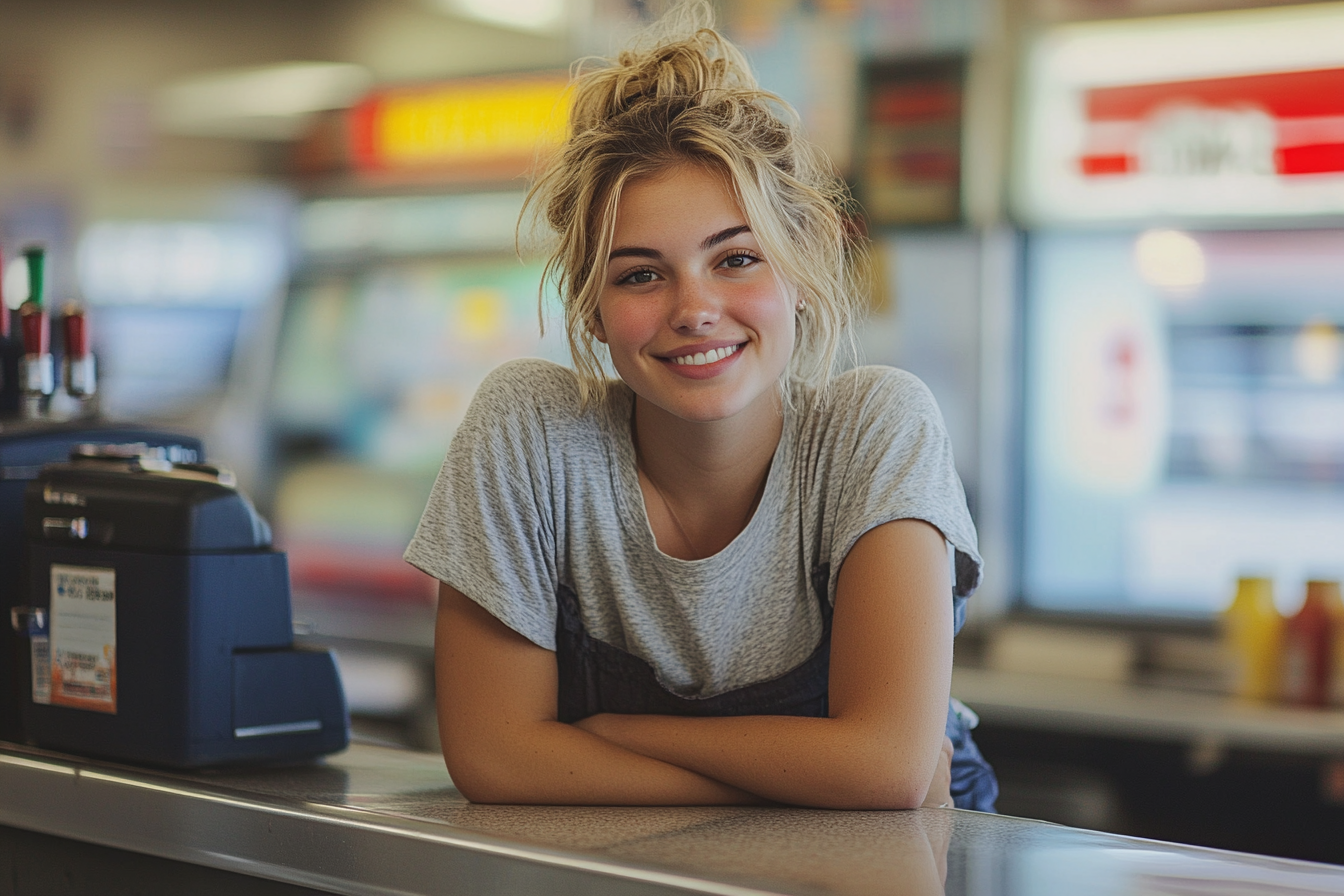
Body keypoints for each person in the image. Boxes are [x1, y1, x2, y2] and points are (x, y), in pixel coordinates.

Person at [405, 1, 997, 810]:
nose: (695, 308)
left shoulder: (874, 427)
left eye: (737, 258)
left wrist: (607, 733)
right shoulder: (531, 430)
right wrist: (826, 773)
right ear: (591, 308)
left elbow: (888, 771)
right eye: (641, 274)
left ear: (799, 268)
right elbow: (494, 760)